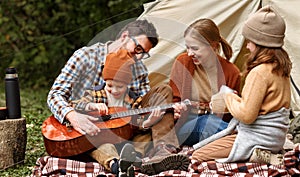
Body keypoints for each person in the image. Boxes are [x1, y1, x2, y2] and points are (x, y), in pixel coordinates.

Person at [47, 19, 188, 175]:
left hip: (126, 129)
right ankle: (122, 161)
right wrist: (72, 116)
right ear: (125, 36)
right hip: (90, 131)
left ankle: (162, 153)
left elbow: (142, 107)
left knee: (163, 92)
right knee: (95, 144)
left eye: (144, 53)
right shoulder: (85, 57)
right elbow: (55, 94)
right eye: (138, 48)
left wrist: (165, 112)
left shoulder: (138, 68)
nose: (139, 57)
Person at [190, 6, 292, 165]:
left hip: (257, 138)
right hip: (274, 139)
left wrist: (227, 96)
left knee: (197, 156)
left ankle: (253, 153)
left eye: (250, 41)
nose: (247, 46)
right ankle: (259, 155)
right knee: (221, 138)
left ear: (260, 42)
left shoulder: (260, 72)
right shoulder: (280, 68)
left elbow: (247, 116)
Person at [169, 18, 241, 146]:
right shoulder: (183, 63)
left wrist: (230, 102)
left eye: (195, 48)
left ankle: (241, 141)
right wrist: (176, 110)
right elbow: (173, 101)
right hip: (184, 127)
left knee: (212, 122)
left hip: (217, 125)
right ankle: (244, 140)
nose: (190, 53)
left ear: (213, 45)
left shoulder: (231, 72)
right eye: (187, 48)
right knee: (207, 123)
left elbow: (231, 116)